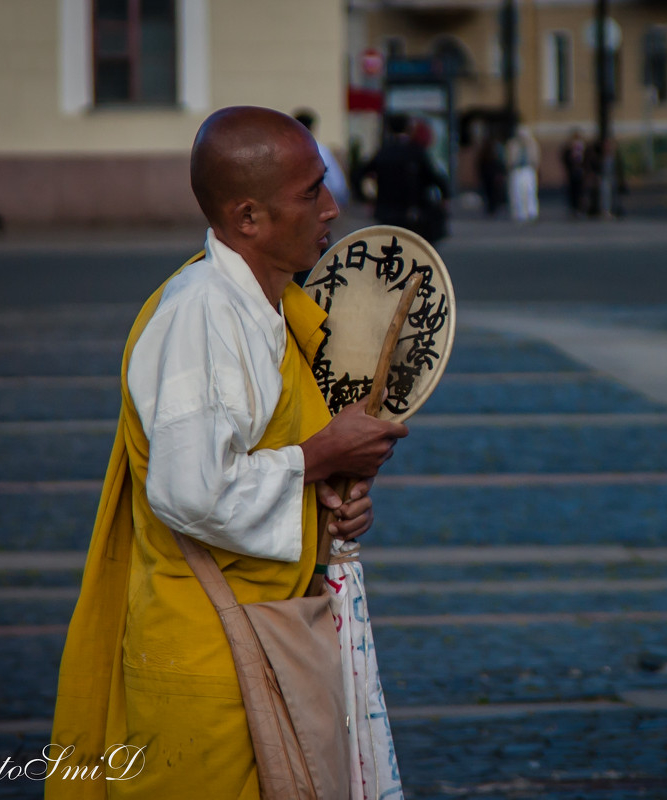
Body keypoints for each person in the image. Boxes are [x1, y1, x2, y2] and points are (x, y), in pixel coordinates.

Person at [47, 106, 409, 799]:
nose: (333, 208)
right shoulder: (202, 313)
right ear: (248, 217)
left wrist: (330, 499)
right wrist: (318, 459)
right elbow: (192, 493)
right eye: (312, 193)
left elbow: (263, 453)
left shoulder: (263, 305)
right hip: (208, 663)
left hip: (256, 637)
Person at [355, 113, 450, 242]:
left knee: (388, 245)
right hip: (412, 210)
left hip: (386, 210)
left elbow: (360, 173)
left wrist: (364, 198)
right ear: (408, 128)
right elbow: (434, 176)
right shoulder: (416, 152)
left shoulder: (384, 152)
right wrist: (445, 197)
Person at [292, 107, 350, 208]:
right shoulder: (321, 150)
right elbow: (338, 185)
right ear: (311, 128)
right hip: (318, 205)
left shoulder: (285, 150)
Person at [505, 125, 540, 222]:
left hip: (528, 169)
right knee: (517, 192)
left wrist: (535, 167)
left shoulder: (532, 144)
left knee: (530, 191)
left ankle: (531, 211)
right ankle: (519, 212)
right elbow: (509, 158)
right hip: (517, 170)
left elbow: (535, 157)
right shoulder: (512, 144)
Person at [561, 128, 588, 217]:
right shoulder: (569, 148)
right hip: (572, 171)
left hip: (581, 171)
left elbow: (586, 159)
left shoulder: (583, 147)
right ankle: (574, 208)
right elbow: (565, 158)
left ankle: (580, 208)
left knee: (581, 190)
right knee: (573, 190)